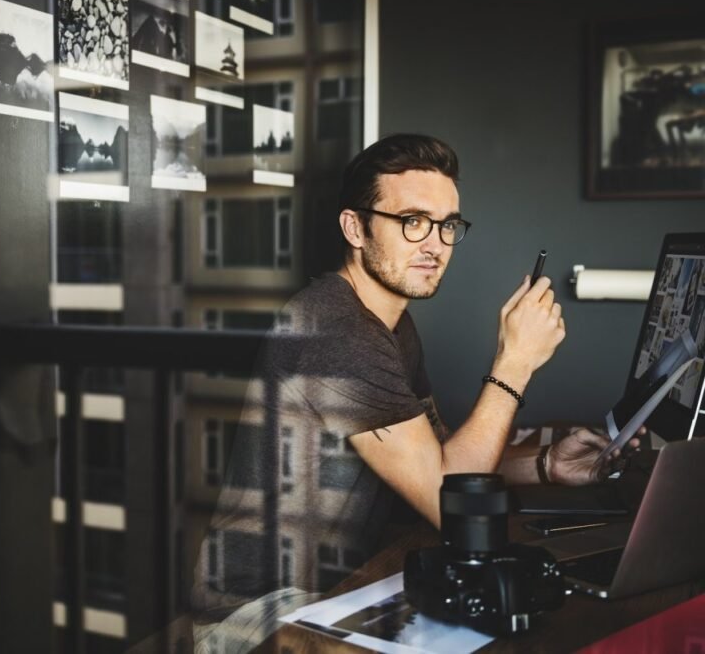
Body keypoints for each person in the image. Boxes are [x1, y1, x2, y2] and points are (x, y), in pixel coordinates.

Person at [189, 133, 642, 653]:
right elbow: (447, 502)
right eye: (412, 222)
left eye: (448, 225)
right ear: (354, 228)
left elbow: (443, 459)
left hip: (336, 588)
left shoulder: (390, 325)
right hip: (254, 613)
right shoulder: (335, 330)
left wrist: (546, 465)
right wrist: (514, 365)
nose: (435, 244)